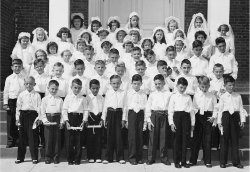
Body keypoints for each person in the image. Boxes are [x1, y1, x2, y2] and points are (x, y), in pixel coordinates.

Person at [217, 76, 246, 169]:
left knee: (235, 140)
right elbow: (220, 110)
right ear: (225, 85)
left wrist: (242, 120)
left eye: (233, 85)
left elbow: (241, 109)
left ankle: (236, 162)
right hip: (225, 117)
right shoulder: (222, 97)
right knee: (224, 140)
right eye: (229, 85)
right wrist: (219, 122)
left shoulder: (238, 96)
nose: (231, 87)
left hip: (235, 117)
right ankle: (223, 162)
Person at [189, 76, 218, 167]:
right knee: (196, 140)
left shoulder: (212, 96)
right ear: (199, 86)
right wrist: (194, 119)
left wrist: (213, 117)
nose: (204, 89)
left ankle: (207, 160)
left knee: (207, 140)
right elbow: (193, 107)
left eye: (206, 87)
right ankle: (193, 160)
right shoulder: (196, 96)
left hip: (208, 117)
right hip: (198, 117)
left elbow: (216, 108)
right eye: (202, 87)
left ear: (209, 86)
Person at [145, 74, 172, 165]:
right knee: (152, 137)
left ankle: (163, 158)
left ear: (164, 83)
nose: (158, 86)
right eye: (156, 84)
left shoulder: (169, 94)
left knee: (163, 138)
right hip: (154, 115)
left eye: (159, 83)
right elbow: (148, 107)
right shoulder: (152, 94)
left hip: (164, 115)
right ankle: (151, 158)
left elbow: (171, 107)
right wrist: (148, 120)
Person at [168, 77, 195, 168]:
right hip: (177, 118)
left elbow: (191, 111)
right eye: (181, 87)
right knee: (177, 141)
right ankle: (176, 161)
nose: (182, 89)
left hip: (186, 118)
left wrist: (192, 124)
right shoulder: (173, 96)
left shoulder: (188, 97)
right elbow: (170, 111)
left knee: (185, 140)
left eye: (184, 88)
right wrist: (171, 123)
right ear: (176, 86)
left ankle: (183, 161)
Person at [15, 76, 41, 164]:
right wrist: (17, 119)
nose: (28, 85)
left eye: (30, 83)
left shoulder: (37, 95)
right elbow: (18, 108)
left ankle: (34, 157)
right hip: (23, 115)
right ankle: (20, 157)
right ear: (24, 84)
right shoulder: (21, 95)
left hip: (33, 116)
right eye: (26, 83)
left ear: (34, 84)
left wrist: (38, 119)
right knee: (22, 137)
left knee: (33, 137)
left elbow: (39, 108)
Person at [62, 78, 89, 165]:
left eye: (79, 88)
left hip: (79, 119)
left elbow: (85, 110)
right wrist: (66, 121)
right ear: (71, 87)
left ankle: (77, 159)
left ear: (81, 88)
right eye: (75, 87)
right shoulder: (68, 97)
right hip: (70, 118)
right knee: (69, 140)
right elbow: (64, 109)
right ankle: (70, 159)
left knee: (79, 140)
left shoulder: (83, 98)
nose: (77, 89)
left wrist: (84, 121)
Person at [101, 75, 127, 164]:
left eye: (118, 83)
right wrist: (103, 118)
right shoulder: (108, 92)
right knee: (109, 136)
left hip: (119, 114)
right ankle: (108, 157)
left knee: (119, 137)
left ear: (121, 83)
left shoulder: (123, 93)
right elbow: (105, 106)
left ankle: (120, 157)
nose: (116, 85)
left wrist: (124, 119)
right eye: (114, 83)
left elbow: (125, 106)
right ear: (110, 83)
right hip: (110, 113)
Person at [3, 59, 26, 148]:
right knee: (11, 121)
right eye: (15, 66)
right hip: (11, 101)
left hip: (21, 101)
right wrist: (5, 103)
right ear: (12, 67)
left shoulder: (24, 77)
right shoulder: (9, 78)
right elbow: (6, 91)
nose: (17, 68)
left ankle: (20, 140)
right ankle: (10, 140)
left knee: (21, 120)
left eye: (19, 66)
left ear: (21, 67)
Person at [40, 80, 64, 164]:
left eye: (56, 89)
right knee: (48, 139)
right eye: (52, 89)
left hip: (57, 118)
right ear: (48, 88)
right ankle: (47, 156)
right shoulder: (44, 99)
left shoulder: (60, 100)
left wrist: (61, 122)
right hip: (48, 118)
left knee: (57, 139)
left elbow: (62, 112)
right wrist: (45, 121)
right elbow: (42, 112)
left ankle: (56, 157)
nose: (54, 91)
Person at [126, 74, 147, 165]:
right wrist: (125, 120)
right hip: (131, 114)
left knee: (139, 136)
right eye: (134, 84)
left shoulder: (144, 93)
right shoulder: (129, 93)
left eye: (138, 84)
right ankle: (132, 157)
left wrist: (145, 121)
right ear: (131, 83)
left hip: (141, 114)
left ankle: (139, 157)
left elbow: (146, 107)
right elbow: (126, 107)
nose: (136, 86)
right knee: (132, 137)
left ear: (141, 84)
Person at [84, 79, 104, 163]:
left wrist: (102, 119)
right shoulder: (87, 98)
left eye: (97, 88)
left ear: (99, 88)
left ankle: (98, 156)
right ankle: (90, 156)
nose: (95, 90)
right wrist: (86, 119)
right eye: (93, 88)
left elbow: (103, 109)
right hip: (90, 117)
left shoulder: (101, 98)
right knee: (90, 138)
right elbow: (85, 109)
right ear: (90, 88)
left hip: (98, 118)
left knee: (98, 139)